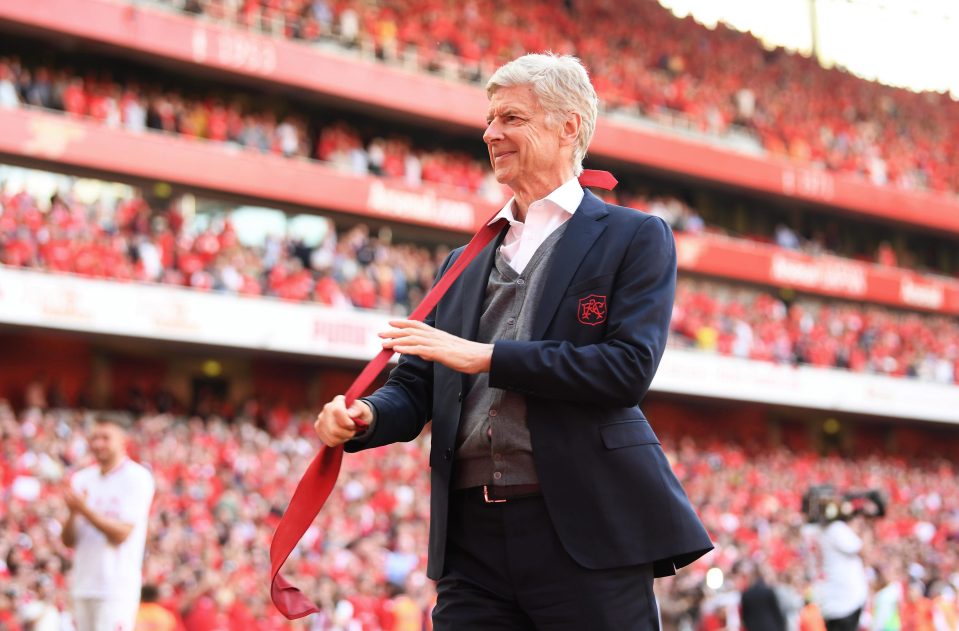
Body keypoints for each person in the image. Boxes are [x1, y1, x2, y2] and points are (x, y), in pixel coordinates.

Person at [315, 52, 712, 630]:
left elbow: (626, 370)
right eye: (490, 118)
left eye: (511, 118)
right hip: (471, 543)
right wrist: (367, 416)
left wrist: (487, 357)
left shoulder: (634, 236)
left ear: (568, 126)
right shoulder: (463, 260)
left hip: (585, 529)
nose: (490, 133)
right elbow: (420, 382)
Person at [61, 413, 155, 631]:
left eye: (105, 437)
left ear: (123, 440)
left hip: (116, 587)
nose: (97, 444)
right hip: (83, 583)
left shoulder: (136, 477)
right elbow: (68, 540)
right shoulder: (82, 478)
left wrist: (84, 510)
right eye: (94, 438)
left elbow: (121, 533)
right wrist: (73, 514)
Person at [812, 517, 868, 631]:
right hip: (845, 601)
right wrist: (862, 529)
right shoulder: (836, 528)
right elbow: (863, 549)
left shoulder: (819, 529)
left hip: (832, 601)